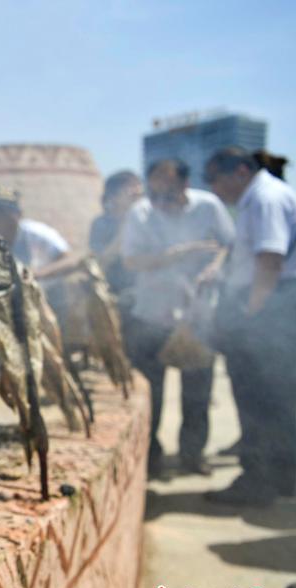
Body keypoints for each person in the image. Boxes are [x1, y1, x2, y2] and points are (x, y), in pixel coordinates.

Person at [203, 147, 296, 506]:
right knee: (277, 400)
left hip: (272, 305)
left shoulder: (265, 198)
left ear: (239, 171)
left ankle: (259, 482)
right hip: (280, 304)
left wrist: (250, 316)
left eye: (216, 180)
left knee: (260, 398)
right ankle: (278, 479)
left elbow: (269, 259)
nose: (215, 190)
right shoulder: (261, 198)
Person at [121, 159, 234, 477]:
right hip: (152, 315)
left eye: (168, 192)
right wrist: (179, 254)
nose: (160, 200)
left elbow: (228, 245)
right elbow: (131, 260)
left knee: (197, 394)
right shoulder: (141, 213)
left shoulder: (209, 207)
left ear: (185, 185)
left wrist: (214, 266)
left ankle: (192, 455)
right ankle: (151, 459)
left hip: (198, 316)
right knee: (150, 395)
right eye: (155, 193)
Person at [0, 186, 70, 280]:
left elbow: (68, 259)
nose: (1, 220)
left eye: (5, 213)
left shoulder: (36, 233)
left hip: (50, 290)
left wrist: (39, 274)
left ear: (19, 215)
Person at [89, 170, 143, 299]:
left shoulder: (147, 221)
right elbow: (101, 263)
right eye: (129, 192)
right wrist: (126, 227)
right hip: (116, 293)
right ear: (113, 196)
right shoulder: (101, 224)